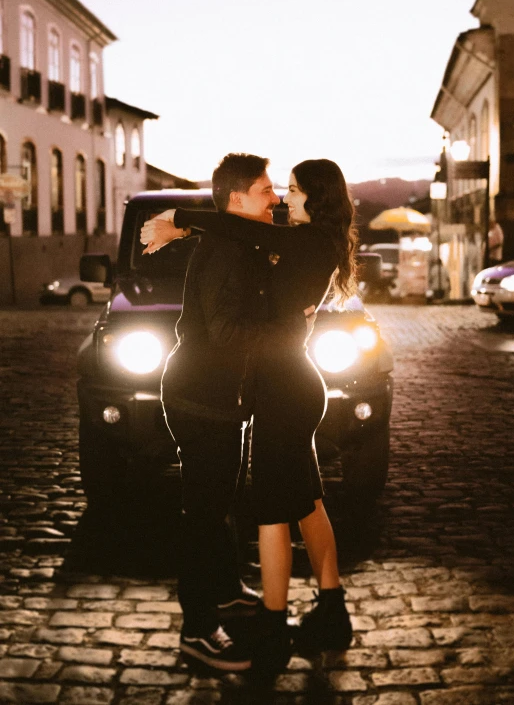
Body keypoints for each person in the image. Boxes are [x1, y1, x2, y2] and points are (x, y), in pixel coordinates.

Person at [141, 156, 358, 672]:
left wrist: (183, 222)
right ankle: (210, 625)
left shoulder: (287, 241)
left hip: (270, 392)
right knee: (253, 509)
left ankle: (267, 611)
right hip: (215, 397)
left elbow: (249, 247)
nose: (281, 198)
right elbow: (230, 331)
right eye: (268, 190)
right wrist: (289, 329)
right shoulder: (238, 247)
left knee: (255, 507)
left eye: (289, 189)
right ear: (238, 201)